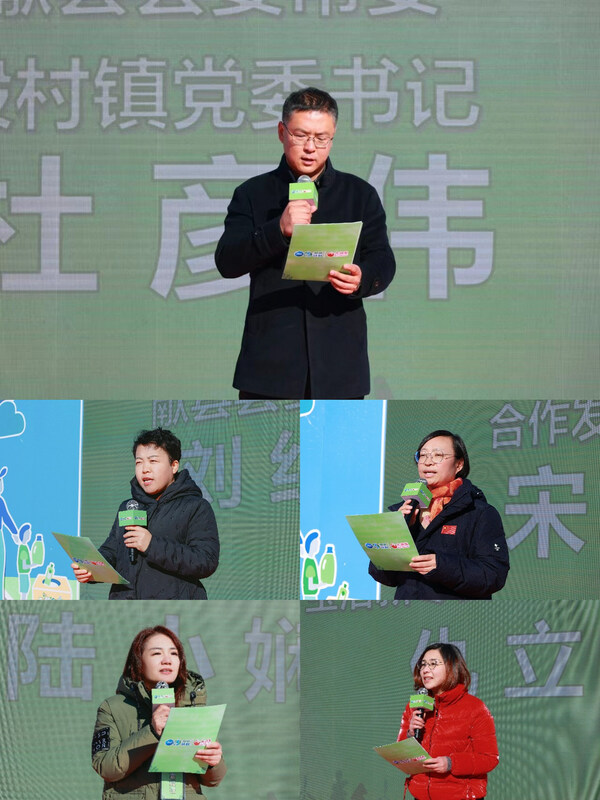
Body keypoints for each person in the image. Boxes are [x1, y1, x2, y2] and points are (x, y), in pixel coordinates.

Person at [215, 86, 396, 399]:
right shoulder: (252, 194)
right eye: (300, 136)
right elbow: (227, 261)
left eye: (321, 138)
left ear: (332, 137)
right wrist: (278, 230)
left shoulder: (359, 194)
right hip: (269, 366)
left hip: (340, 364)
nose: (311, 147)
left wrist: (362, 278)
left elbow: (382, 258)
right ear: (281, 132)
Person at [72, 428, 219, 599]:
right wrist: (91, 568)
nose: (145, 469)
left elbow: (205, 561)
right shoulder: (129, 507)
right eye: (139, 462)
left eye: (153, 461)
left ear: (174, 466)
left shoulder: (196, 507)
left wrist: (151, 545)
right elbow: (112, 551)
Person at [369, 430, 509, 599]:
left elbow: (493, 575)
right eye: (422, 455)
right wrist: (394, 530)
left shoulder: (479, 513)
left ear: (459, 464)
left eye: (438, 455)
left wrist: (442, 566)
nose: (428, 462)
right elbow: (382, 575)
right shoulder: (406, 509)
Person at [92, 625, 226, 799]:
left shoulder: (192, 705)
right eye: (157, 653)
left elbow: (214, 780)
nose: (167, 660)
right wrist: (152, 733)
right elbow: (105, 767)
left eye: (174, 654)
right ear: (138, 661)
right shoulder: (113, 708)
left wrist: (213, 763)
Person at [397, 643, 498, 800]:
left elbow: (489, 758)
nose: (425, 670)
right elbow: (401, 756)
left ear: (452, 667)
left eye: (433, 664)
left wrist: (451, 763)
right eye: (423, 664)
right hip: (420, 796)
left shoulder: (475, 708)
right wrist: (410, 734)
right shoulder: (415, 706)